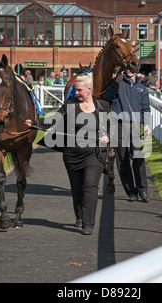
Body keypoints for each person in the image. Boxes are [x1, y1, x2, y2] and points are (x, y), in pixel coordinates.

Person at [25, 74, 110, 235]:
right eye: (75, 90)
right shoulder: (70, 105)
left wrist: (108, 136)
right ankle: (79, 215)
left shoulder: (103, 106)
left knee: (90, 185)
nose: (76, 93)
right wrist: (35, 123)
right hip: (73, 155)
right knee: (77, 189)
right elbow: (54, 120)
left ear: (89, 89)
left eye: (79, 90)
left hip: (95, 154)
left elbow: (111, 126)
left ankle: (88, 223)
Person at [103, 68, 151, 203]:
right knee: (122, 160)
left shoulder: (142, 88)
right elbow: (106, 98)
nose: (130, 70)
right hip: (118, 125)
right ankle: (131, 191)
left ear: (137, 69)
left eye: (133, 68)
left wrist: (146, 124)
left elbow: (146, 108)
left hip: (135, 125)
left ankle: (143, 190)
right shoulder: (116, 83)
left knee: (138, 158)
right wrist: (115, 83)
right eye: (127, 68)